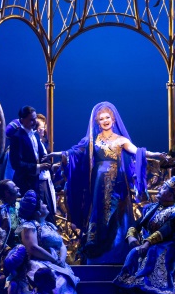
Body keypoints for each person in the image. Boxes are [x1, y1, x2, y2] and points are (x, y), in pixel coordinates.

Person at [60, 101, 163, 264]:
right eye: (101, 119)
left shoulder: (121, 140)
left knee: (118, 214)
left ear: (113, 119)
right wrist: (59, 155)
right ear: (97, 122)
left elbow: (137, 151)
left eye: (107, 117)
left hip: (117, 184)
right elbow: (73, 153)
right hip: (98, 185)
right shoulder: (91, 140)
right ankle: (98, 257)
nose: (105, 121)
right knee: (99, 212)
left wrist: (156, 154)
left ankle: (119, 255)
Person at [114, 176, 175, 294]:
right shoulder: (151, 208)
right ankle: (128, 283)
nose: (159, 188)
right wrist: (131, 236)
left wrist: (148, 243)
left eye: (164, 188)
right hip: (147, 244)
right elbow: (138, 224)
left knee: (153, 252)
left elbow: (165, 230)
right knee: (134, 252)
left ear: (170, 195)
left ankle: (146, 286)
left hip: (166, 246)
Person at [18, 190, 79, 294]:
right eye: (43, 204)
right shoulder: (29, 226)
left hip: (56, 263)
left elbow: (61, 245)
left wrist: (61, 260)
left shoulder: (49, 225)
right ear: (37, 212)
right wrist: (53, 260)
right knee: (57, 281)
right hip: (40, 263)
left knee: (66, 279)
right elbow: (33, 247)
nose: (46, 205)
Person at [10, 106, 56, 215]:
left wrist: (50, 165)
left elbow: (42, 155)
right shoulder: (17, 137)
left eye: (35, 119)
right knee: (27, 214)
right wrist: (38, 167)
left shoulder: (35, 135)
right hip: (24, 182)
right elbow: (16, 163)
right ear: (22, 120)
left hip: (36, 182)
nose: (34, 122)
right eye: (31, 119)